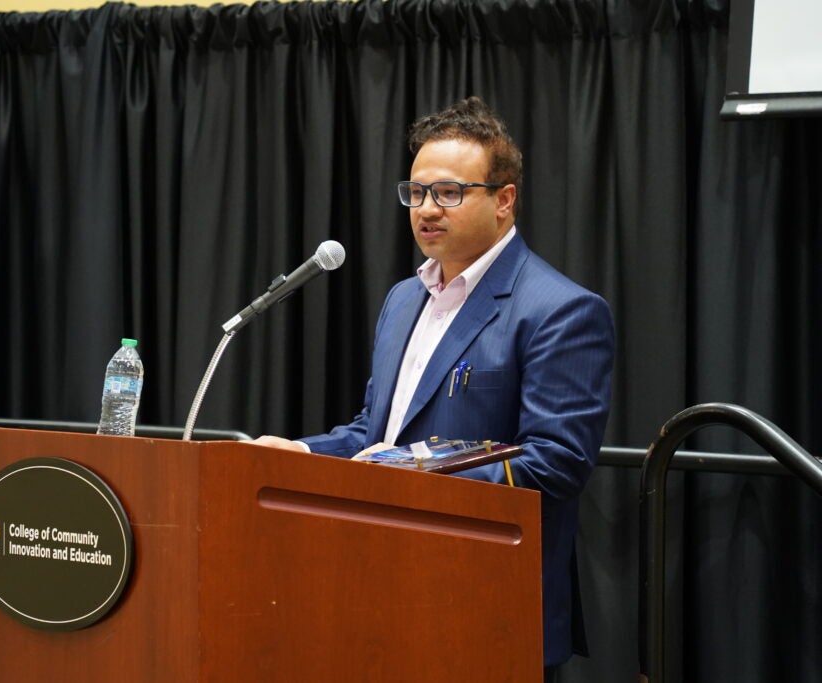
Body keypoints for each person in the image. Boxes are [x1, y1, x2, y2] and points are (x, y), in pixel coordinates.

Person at [253, 96, 614, 677]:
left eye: (449, 192)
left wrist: (405, 470)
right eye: (416, 192)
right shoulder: (404, 298)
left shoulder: (560, 310)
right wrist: (300, 454)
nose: (427, 209)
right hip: (378, 581)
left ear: (504, 199)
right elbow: (375, 433)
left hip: (483, 598)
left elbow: (556, 464)